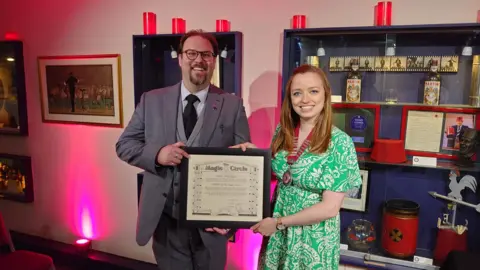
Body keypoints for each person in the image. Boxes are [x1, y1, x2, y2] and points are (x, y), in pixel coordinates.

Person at [116, 29, 251, 270]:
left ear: (213, 61)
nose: (199, 60)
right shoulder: (151, 100)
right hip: (166, 223)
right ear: (179, 59)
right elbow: (124, 145)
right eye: (191, 53)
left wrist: (230, 220)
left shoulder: (232, 105)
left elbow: (242, 166)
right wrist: (158, 155)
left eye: (206, 54)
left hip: (210, 227)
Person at [234, 64, 362, 269]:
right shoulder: (282, 132)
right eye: (297, 93)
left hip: (312, 238)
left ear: (326, 95)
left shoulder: (340, 142)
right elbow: (280, 174)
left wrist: (278, 223)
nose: (304, 100)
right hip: (278, 232)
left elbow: (330, 208)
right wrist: (252, 155)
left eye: (313, 91)